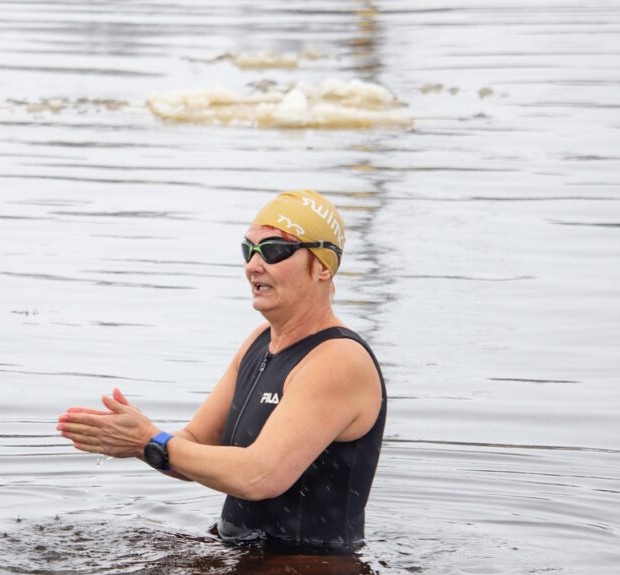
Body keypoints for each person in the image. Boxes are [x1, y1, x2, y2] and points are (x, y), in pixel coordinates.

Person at [57, 190, 386, 553]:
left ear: (323, 266)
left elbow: (260, 475)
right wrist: (133, 442)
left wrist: (149, 440)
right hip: (241, 562)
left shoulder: (338, 359)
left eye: (274, 250)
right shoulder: (260, 341)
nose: (253, 266)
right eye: (249, 251)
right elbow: (195, 443)